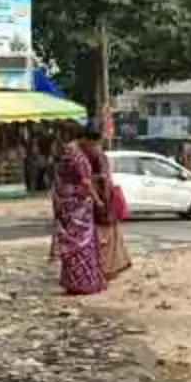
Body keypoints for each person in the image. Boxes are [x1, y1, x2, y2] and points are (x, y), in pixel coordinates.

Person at [53, 125, 106, 296]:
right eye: (95, 144)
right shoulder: (79, 157)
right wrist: (98, 201)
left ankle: (72, 281)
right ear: (88, 140)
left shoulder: (68, 150)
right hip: (77, 207)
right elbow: (86, 183)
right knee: (82, 244)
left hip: (64, 204)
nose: (96, 149)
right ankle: (84, 283)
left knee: (71, 244)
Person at [84, 128, 132, 279]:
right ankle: (106, 268)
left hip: (101, 200)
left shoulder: (94, 157)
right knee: (105, 238)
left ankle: (106, 268)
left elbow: (102, 179)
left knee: (107, 237)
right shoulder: (95, 157)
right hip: (101, 201)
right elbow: (101, 179)